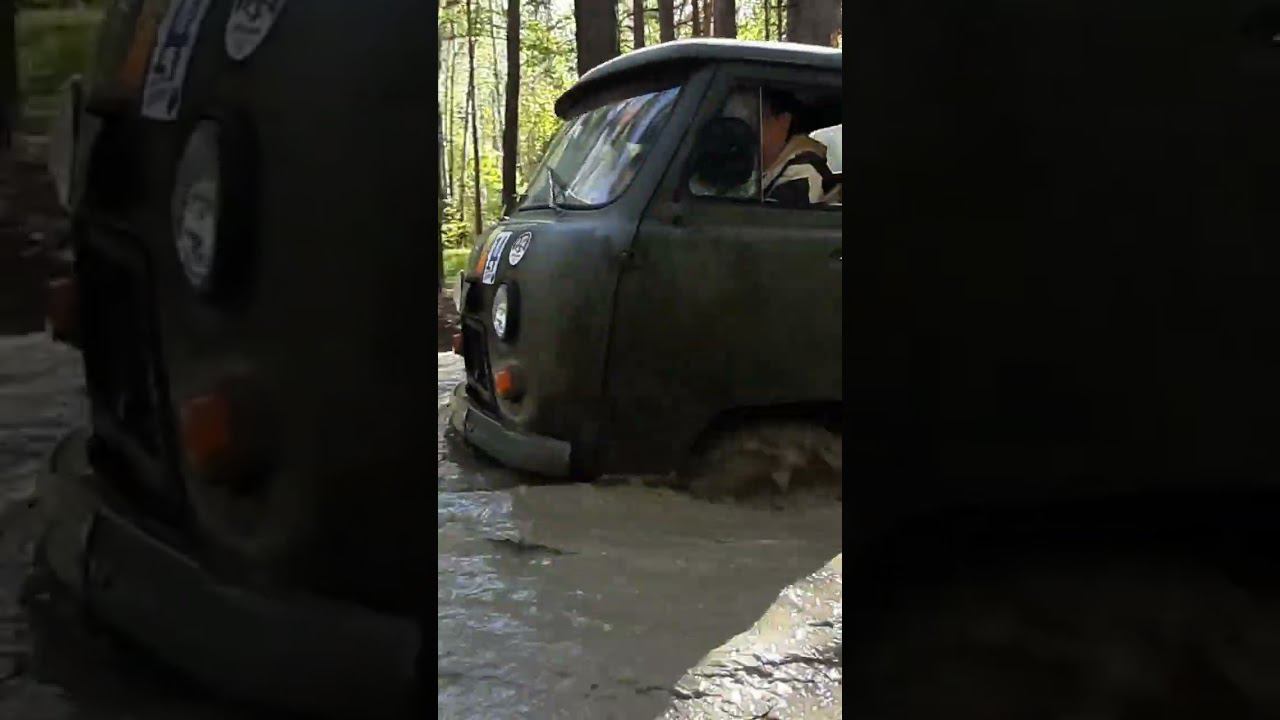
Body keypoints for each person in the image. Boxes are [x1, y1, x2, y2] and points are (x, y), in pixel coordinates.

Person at [760, 89, 838, 208]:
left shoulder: (801, 175)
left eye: (755, 120)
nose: (746, 133)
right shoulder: (766, 171)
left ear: (783, 121)